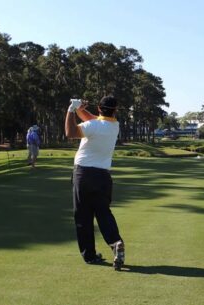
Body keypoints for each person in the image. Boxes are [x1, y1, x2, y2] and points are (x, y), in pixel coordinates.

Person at [65, 96, 125, 270]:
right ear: (115, 110)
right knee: (103, 213)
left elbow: (70, 133)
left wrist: (71, 110)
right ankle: (115, 242)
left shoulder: (93, 126)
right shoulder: (114, 125)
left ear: (99, 108)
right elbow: (93, 120)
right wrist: (79, 109)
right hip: (103, 177)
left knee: (83, 216)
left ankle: (90, 255)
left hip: (83, 174)